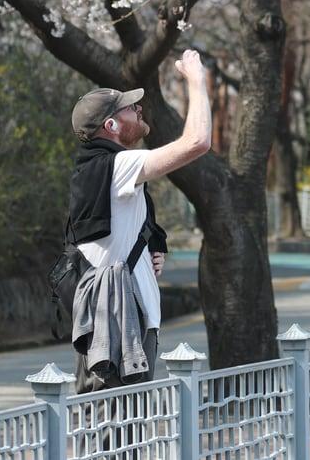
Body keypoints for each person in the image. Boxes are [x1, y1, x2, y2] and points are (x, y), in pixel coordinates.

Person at [67, 49, 211, 392]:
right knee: (114, 435)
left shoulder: (98, 171)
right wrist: (197, 80)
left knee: (118, 433)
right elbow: (197, 142)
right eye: (131, 108)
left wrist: (148, 253)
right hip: (120, 326)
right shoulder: (118, 167)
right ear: (111, 125)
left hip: (119, 320)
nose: (139, 109)